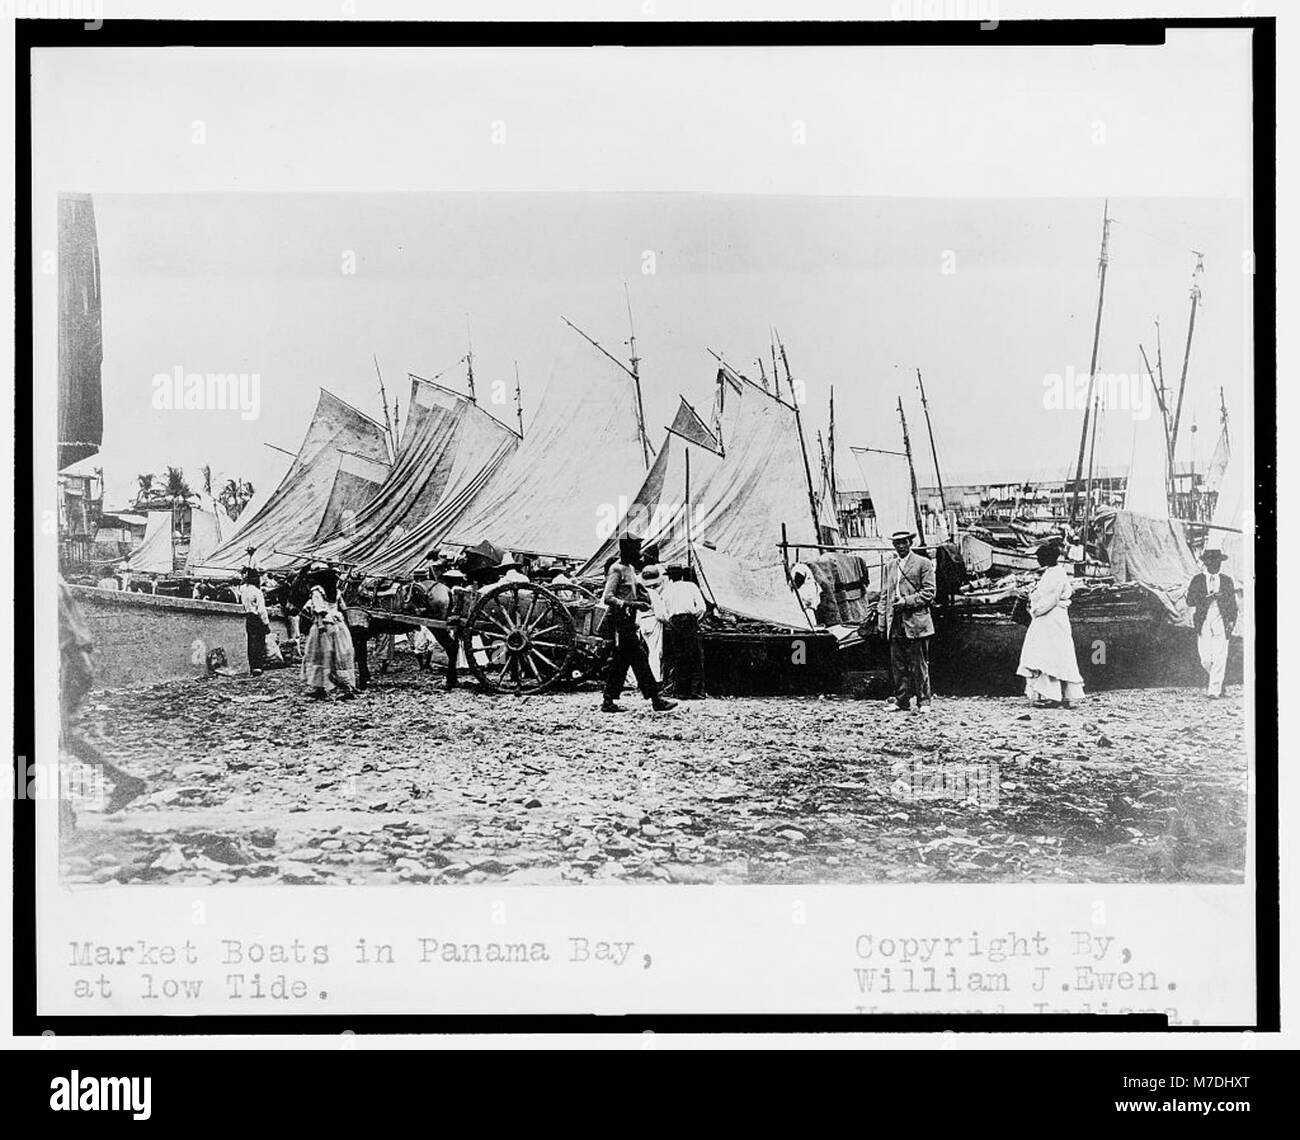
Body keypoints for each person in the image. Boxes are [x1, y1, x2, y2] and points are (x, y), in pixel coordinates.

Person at [58, 578, 146, 817]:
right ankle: (122, 781)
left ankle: (59, 810)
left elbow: (59, 632)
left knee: (54, 735)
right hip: (74, 659)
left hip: (67, 661)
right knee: (61, 735)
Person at [600, 535, 676, 713]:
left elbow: (636, 592)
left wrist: (643, 599)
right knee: (640, 659)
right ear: (626, 549)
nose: (639, 553)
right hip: (620, 623)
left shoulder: (630, 570)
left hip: (629, 622)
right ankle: (656, 700)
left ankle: (608, 700)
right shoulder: (616, 570)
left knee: (621, 663)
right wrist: (631, 604)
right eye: (636, 548)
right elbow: (608, 597)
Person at [1016, 542, 1085, 708]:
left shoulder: (1055, 575)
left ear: (1047, 557)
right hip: (1051, 618)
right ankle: (1055, 694)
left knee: (1050, 655)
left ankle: (1053, 696)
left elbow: (1049, 600)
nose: (1038, 560)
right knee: (1051, 654)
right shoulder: (1052, 573)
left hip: (1051, 618)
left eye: (1040, 557)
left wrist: (1034, 607)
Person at [877, 529, 936, 714]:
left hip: (916, 620)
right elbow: (885, 595)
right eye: (897, 543)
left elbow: (929, 592)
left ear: (910, 543)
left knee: (919, 664)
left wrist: (906, 602)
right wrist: (882, 621)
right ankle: (901, 700)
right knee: (898, 664)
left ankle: (924, 701)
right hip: (895, 621)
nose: (900, 546)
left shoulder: (923, 563)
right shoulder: (890, 566)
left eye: (904, 542)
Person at [300, 562, 358, 700]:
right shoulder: (335, 591)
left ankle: (321, 687)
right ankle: (346, 687)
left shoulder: (317, 590)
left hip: (324, 625)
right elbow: (343, 608)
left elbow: (319, 609)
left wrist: (320, 626)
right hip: (339, 625)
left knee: (319, 657)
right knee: (340, 656)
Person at [1185, 548, 1237, 699]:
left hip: (1221, 619)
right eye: (1213, 562)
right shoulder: (1197, 580)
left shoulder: (1227, 580)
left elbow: (1232, 604)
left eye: (1218, 562)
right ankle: (1220, 682)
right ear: (1207, 564)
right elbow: (1190, 601)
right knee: (1206, 658)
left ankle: (1214, 691)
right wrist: (1206, 598)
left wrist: (1231, 621)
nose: (1216, 565)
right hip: (1204, 620)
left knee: (1220, 655)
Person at [661, 563, 707, 698]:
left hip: (674, 622)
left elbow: (664, 612)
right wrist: (694, 620)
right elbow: (702, 608)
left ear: (669, 577)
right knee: (694, 655)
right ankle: (696, 691)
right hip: (689, 621)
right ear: (682, 575)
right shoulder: (691, 586)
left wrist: (671, 621)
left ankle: (680, 691)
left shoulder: (666, 590)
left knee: (679, 656)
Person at [636, 562, 668, 683]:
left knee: (645, 651)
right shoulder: (653, 594)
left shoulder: (639, 592)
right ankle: (655, 680)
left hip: (642, 623)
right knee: (655, 652)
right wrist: (667, 622)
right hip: (653, 622)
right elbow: (660, 614)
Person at [238, 566, 272, 676]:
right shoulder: (257, 592)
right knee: (259, 642)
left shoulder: (244, 591)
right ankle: (258, 666)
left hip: (249, 617)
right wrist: (266, 624)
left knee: (251, 643)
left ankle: (253, 666)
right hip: (257, 618)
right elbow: (261, 610)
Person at [342, 571, 373, 691]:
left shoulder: (346, 592)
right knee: (361, 651)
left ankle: (362, 678)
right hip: (360, 621)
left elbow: (343, 607)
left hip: (354, 623)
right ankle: (363, 676)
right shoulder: (362, 591)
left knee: (358, 651)